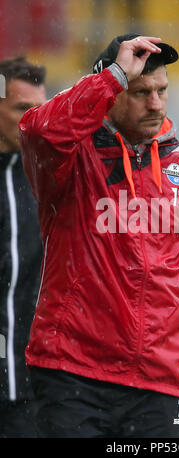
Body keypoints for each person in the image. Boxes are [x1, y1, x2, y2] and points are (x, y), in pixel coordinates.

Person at [19, 34, 179, 439]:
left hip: (159, 380)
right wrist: (112, 76)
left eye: (162, 91)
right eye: (139, 92)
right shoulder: (70, 159)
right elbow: (37, 131)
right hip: (72, 374)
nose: (155, 103)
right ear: (113, 93)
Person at [0, 56, 47, 437]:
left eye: (39, 110)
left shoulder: (52, 178)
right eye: (21, 109)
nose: (32, 121)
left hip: (37, 386)